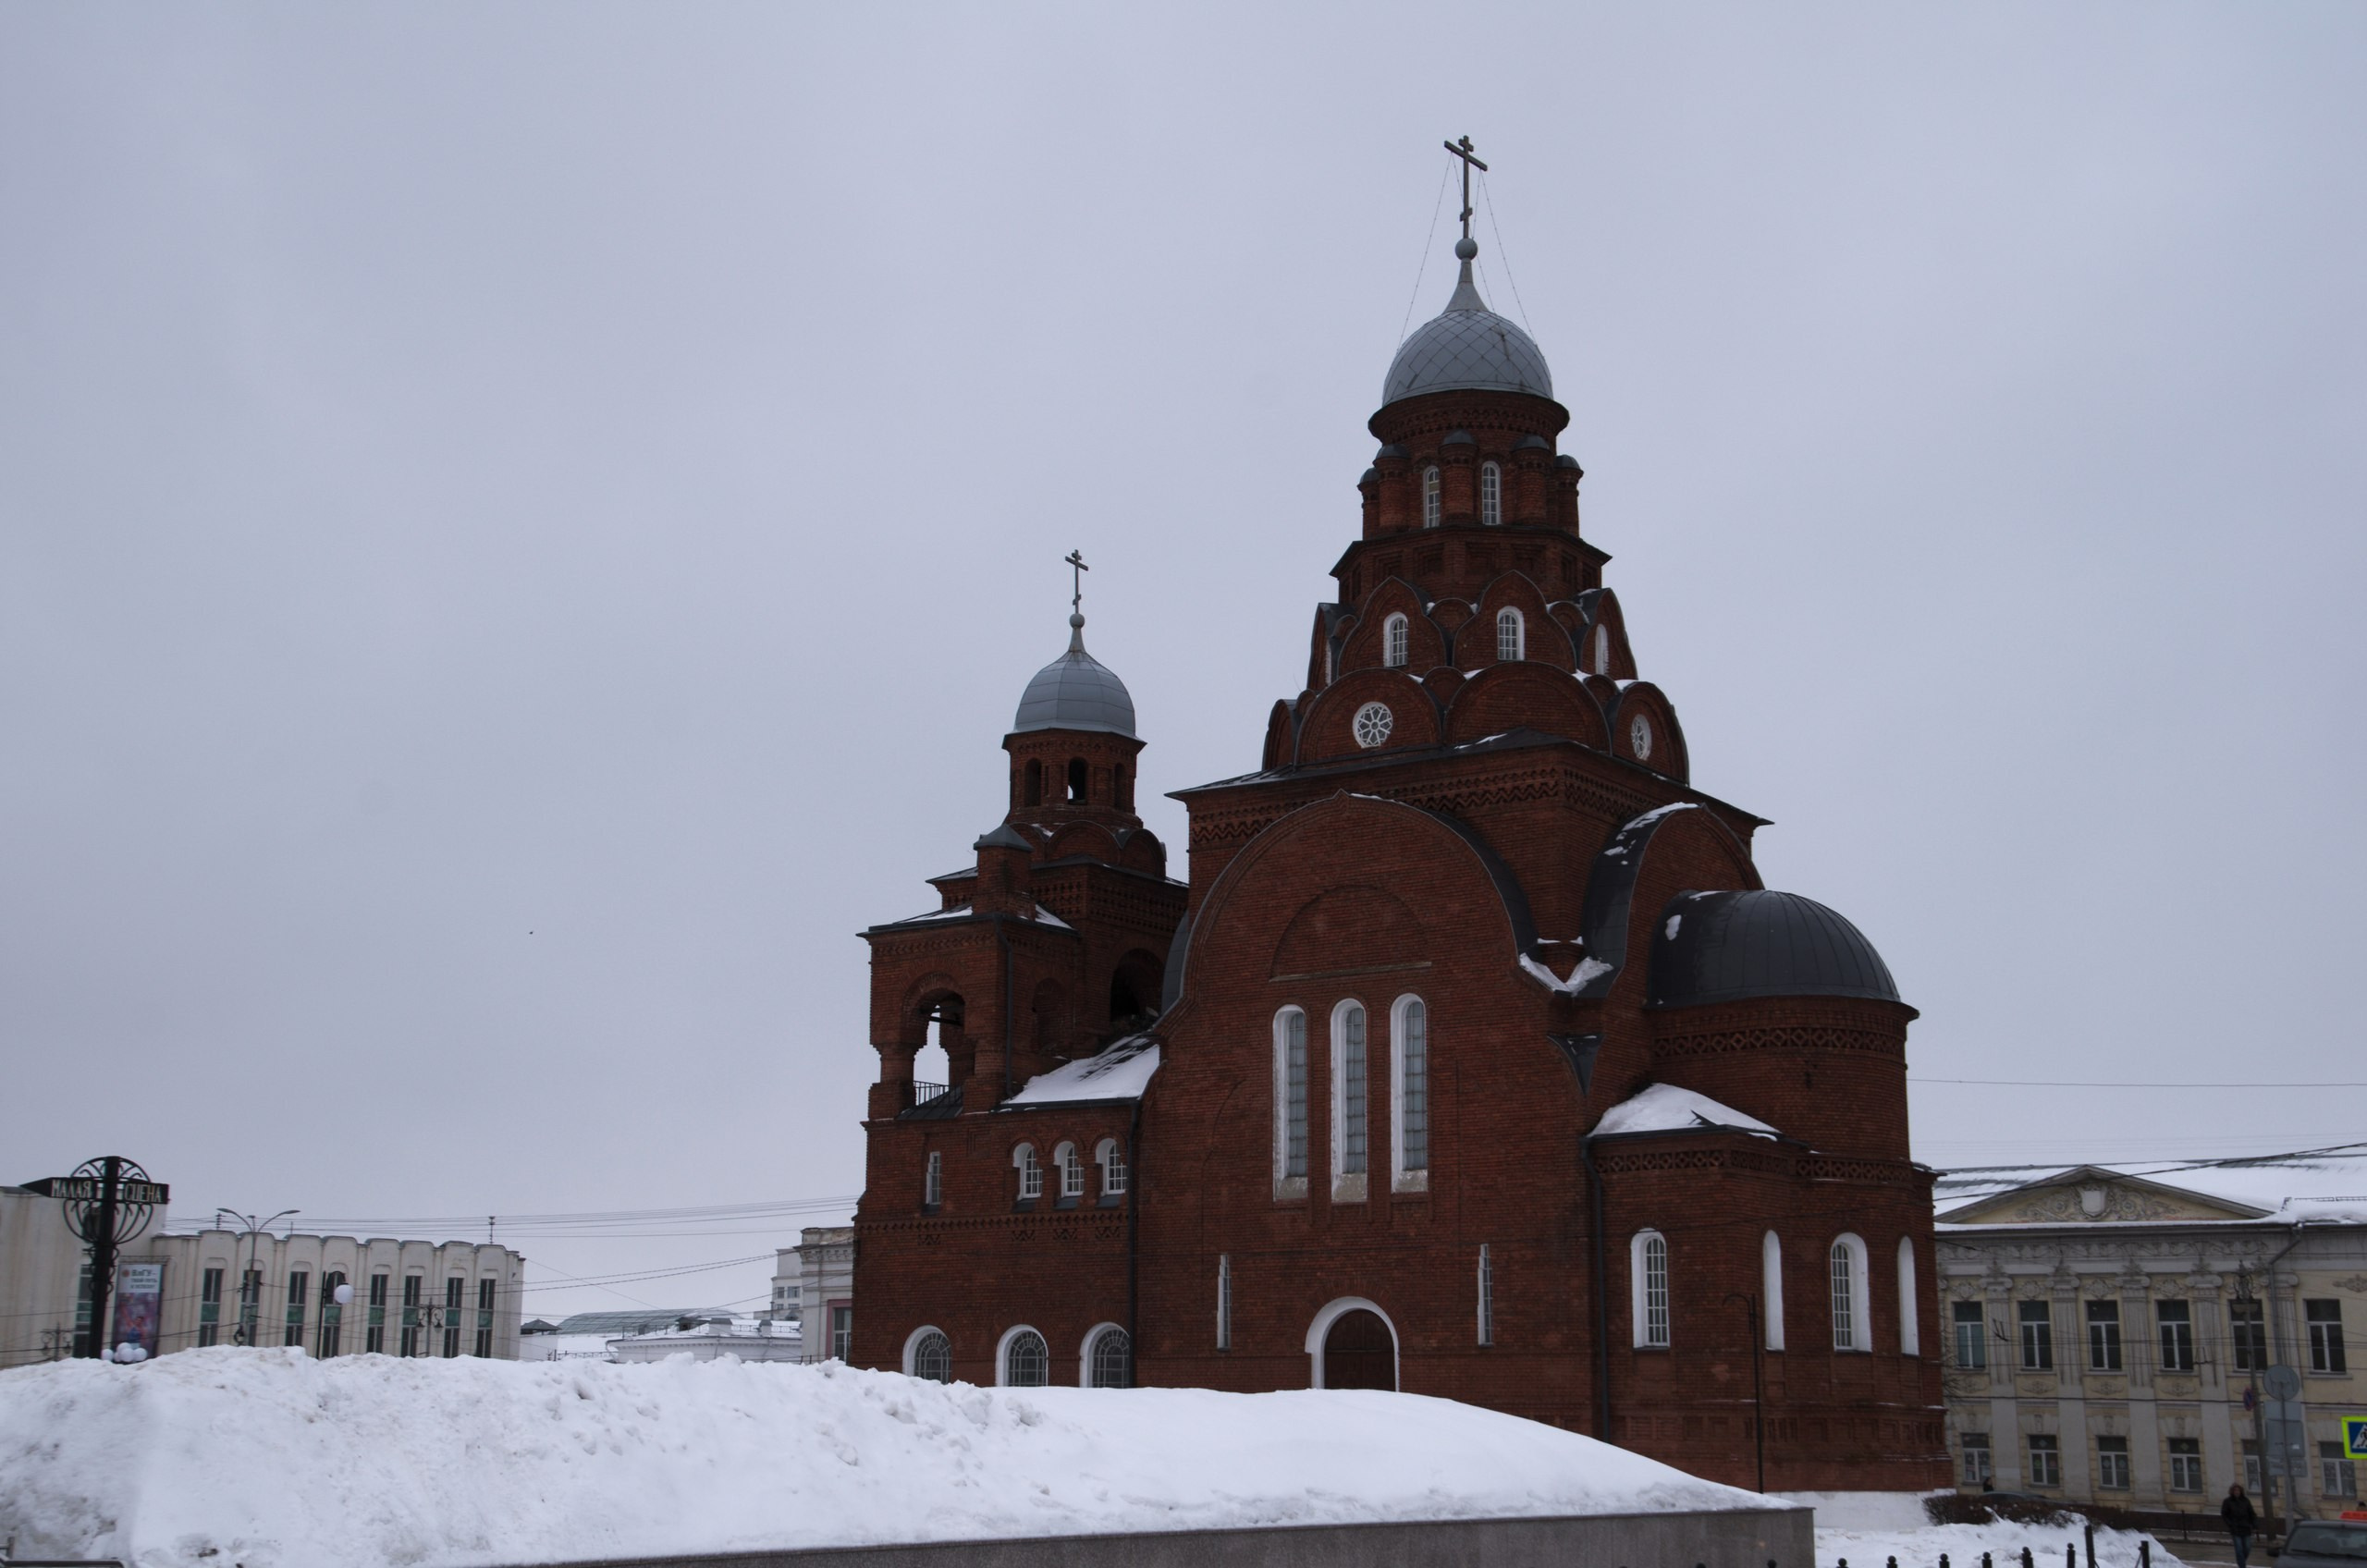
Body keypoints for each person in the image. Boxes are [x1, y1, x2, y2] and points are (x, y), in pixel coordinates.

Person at [2223, 1483, 2258, 1568]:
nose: (2237, 1492)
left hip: (2246, 1528)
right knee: (2239, 1549)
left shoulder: (2246, 1501)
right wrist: (2230, 1524)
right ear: (2232, 1491)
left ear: (2241, 1491)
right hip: (2235, 1529)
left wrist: (2255, 1525)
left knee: (2247, 1548)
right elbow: (2224, 1514)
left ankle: (2241, 1561)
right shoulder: (2228, 1501)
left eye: (2238, 1490)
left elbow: (2252, 1514)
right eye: (2235, 1490)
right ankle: (2242, 1566)